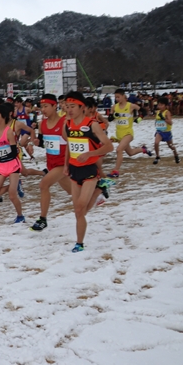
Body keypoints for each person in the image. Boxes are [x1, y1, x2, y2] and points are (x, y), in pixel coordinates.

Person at [63, 92, 114, 253]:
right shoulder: (68, 125)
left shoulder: (92, 124)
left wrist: (90, 154)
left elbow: (109, 146)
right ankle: (100, 189)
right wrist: (65, 165)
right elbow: (69, 146)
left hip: (89, 170)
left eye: (73, 107)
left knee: (79, 208)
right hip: (74, 169)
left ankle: (79, 243)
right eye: (67, 106)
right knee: (78, 211)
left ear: (82, 107)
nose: (69, 110)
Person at [29, 94, 72, 231]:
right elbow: (43, 143)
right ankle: (95, 193)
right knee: (72, 191)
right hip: (51, 163)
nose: (43, 109)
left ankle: (43, 219)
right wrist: (36, 142)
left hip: (63, 163)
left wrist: (67, 164)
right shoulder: (42, 124)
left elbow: (71, 144)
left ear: (55, 106)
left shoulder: (64, 122)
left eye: (46, 106)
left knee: (43, 185)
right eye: (42, 107)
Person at [0, 103, 24, 223]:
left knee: (12, 196)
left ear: (3, 117)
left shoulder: (8, 132)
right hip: (1, 167)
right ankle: (14, 185)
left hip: (12, 165)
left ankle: (20, 215)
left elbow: (13, 152)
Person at [108, 88, 152, 178]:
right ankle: (143, 149)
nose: (117, 99)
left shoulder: (131, 106)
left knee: (119, 150)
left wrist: (139, 119)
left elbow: (144, 111)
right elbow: (109, 119)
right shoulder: (114, 107)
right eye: (115, 97)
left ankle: (116, 171)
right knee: (130, 153)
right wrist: (113, 116)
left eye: (118, 97)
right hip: (119, 134)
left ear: (124, 96)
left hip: (128, 133)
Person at [152, 97, 179, 164]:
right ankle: (157, 156)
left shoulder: (167, 112)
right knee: (156, 143)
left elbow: (170, 122)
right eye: (159, 105)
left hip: (167, 132)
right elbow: (157, 120)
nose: (160, 106)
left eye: (161, 105)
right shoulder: (157, 112)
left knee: (170, 146)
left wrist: (163, 118)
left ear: (166, 105)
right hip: (159, 131)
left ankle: (176, 155)